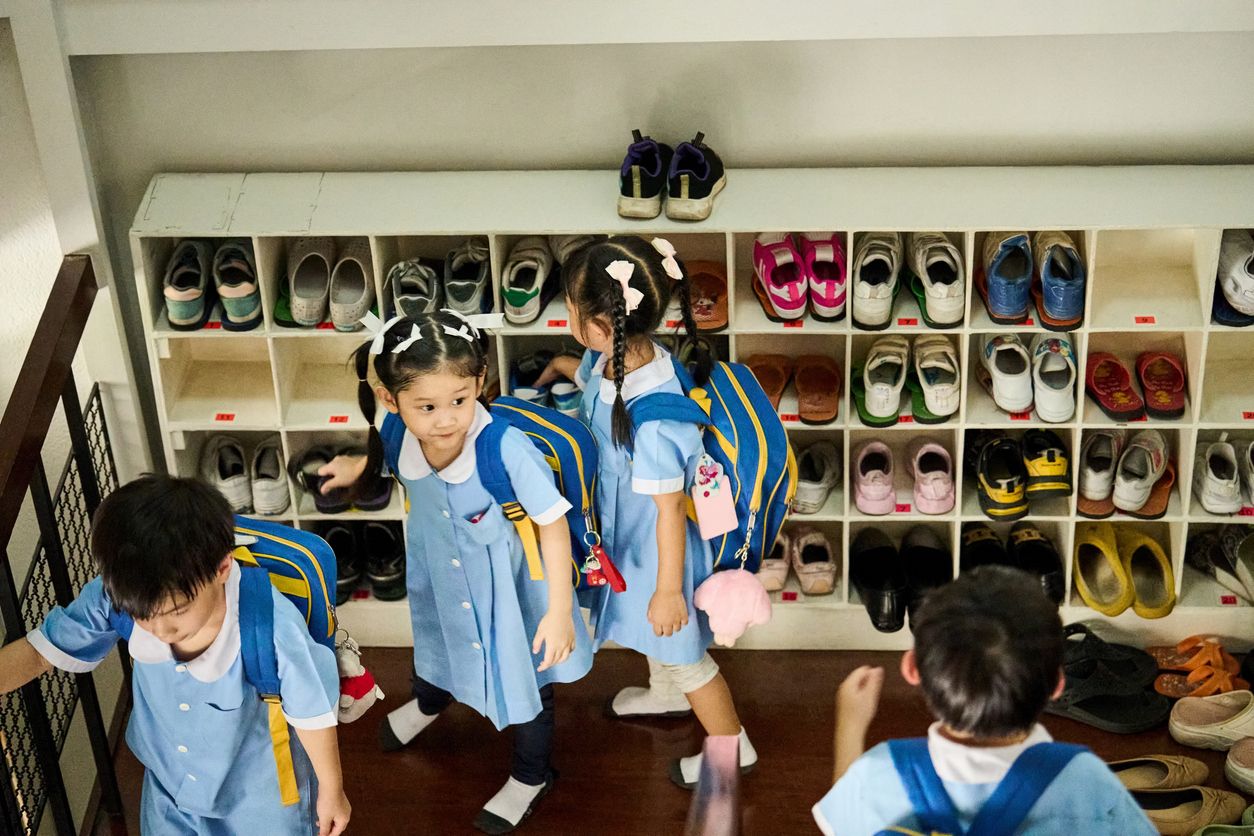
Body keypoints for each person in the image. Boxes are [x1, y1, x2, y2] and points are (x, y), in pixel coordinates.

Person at [318, 308, 593, 834]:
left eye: (460, 401)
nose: (446, 418)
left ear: (480, 382)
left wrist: (559, 611)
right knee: (435, 641)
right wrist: (356, 466)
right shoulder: (399, 431)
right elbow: (387, 453)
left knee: (527, 681)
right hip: (439, 577)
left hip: (511, 594)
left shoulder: (503, 450)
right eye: (427, 406)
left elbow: (553, 525)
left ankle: (531, 775)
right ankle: (430, 700)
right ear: (389, 399)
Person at [0, 475, 349, 835]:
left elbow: (312, 715)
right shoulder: (122, 595)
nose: (161, 630)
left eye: (178, 611)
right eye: (142, 616)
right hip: (169, 792)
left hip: (262, 800)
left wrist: (331, 790)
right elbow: (39, 654)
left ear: (222, 567)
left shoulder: (269, 627)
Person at [537, 235, 756, 787]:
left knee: (681, 647)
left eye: (570, 307)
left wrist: (667, 591)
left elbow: (666, 513)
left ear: (598, 321)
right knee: (651, 633)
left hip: (659, 551)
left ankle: (733, 750)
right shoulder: (618, 357)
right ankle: (663, 692)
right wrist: (565, 366)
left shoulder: (654, 419)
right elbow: (594, 388)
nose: (567, 316)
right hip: (627, 537)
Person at [812, 565, 1155, 835]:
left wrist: (851, 725)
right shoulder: (1083, 779)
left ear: (912, 668)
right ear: (1057, 685)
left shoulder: (880, 771)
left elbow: (846, 822)